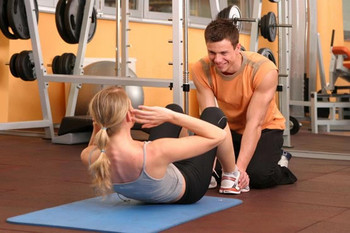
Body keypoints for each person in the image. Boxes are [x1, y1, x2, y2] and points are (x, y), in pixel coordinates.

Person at [81, 86, 243, 205]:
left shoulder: (92, 156)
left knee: (173, 106)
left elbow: (96, 142)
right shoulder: (155, 151)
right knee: (213, 114)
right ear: (130, 116)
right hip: (189, 189)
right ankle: (231, 176)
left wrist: (98, 126)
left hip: (154, 181)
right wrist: (172, 116)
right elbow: (218, 135)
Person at [191, 18, 297, 190]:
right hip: (228, 130)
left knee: (258, 176)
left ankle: (281, 162)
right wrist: (211, 168)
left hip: (264, 128)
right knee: (213, 173)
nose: (217, 59)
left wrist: (238, 171)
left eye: (224, 53)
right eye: (212, 52)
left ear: (237, 48)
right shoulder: (200, 69)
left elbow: (254, 123)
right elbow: (210, 118)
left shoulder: (264, 70)